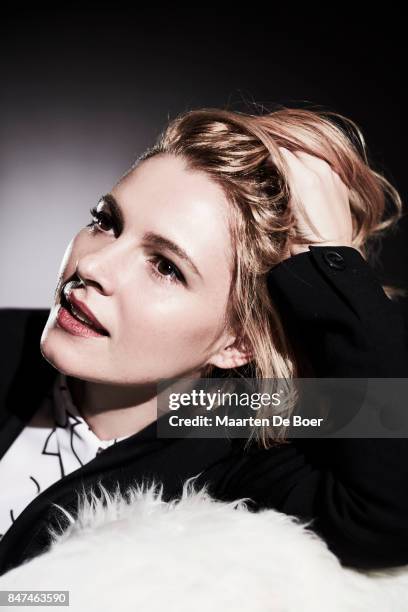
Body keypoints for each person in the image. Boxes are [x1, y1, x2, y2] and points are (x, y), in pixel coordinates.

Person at [0, 106, 407, 577]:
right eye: (106, 221)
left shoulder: (230, 446)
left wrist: (334, 261)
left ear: (238, 343)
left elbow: (389, 515)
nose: (93, 266)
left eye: (166, 266)